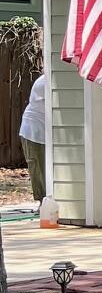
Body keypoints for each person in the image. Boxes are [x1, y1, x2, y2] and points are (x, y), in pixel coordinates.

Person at [20, 70, 46, 205]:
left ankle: (47, 201)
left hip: (44, 130)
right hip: (33, 130)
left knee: (45, 166)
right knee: (37, 167)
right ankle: (43, 202)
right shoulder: (45, 82)